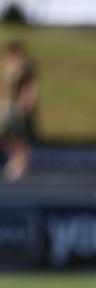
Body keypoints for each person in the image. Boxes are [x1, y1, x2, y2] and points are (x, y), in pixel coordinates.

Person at [0, 41, 38, 182]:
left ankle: (21, 164)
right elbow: (6, 88)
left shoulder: (25, 67)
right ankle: (15, 160)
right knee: (6, 135)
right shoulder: (9, 67)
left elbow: (30, 86)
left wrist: (27, 102)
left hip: (19, 106)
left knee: (20, 136)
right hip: (9, 105)